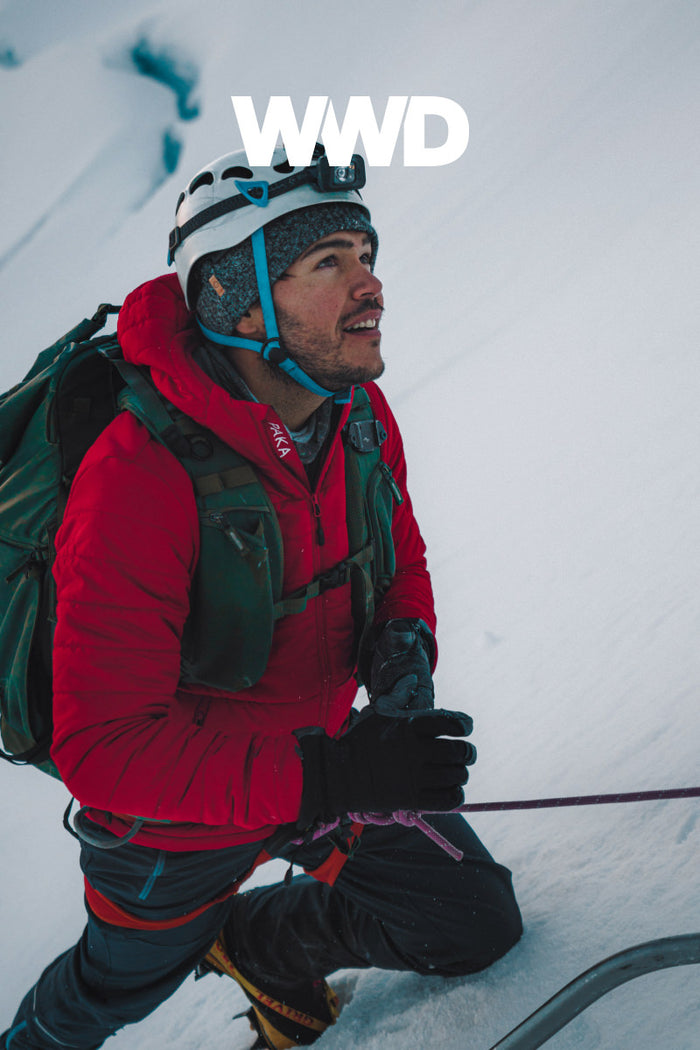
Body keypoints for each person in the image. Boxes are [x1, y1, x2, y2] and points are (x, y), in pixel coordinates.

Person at [1, 146, 522, 1050]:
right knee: (116, 988)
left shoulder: (354, 408)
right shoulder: (139, 476)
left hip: (325, 766)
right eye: (330, 263)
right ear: (238, 302)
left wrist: (403, 652)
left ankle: (260, 947)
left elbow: (399, 559)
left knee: (470, 919)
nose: (372, 285)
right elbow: (102, 745)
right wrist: (333, 776)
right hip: (175, 818)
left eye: (366, 252)